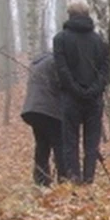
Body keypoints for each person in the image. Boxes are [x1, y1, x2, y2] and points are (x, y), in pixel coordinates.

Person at [53, 0, 110, 184]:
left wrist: (76, 90)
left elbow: (62, 70)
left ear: (69, 14)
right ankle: (89, 178)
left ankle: (74, 178)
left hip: (70, 98)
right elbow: (105, 70)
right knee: (91, 142)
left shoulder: (60, 39)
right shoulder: (99, 40)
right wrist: (93, 90)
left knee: (70, 141)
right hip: (94, 99)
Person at [20, 53, 65, 186]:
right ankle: (65, 180)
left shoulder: (37, 64)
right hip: (49, 109)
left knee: (42, 144)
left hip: (32, 109)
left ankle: (41, 180)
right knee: (59, 144)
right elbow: (62, 85)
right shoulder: (55, 62)